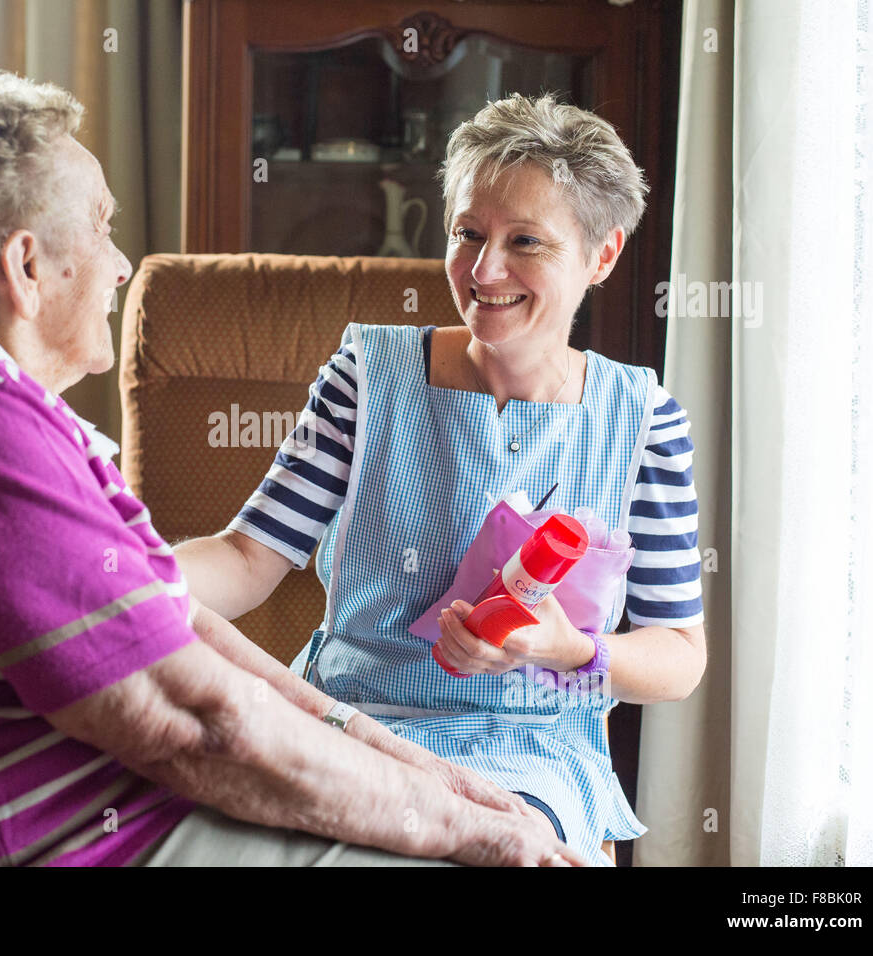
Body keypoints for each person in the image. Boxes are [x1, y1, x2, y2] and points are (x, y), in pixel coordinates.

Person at [0, 72, 582, 867]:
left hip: (77, 812)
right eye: (100, 227)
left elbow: (187, 637)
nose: (122, 263)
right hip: (49, 840)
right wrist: (479, 836)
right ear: (26, 266)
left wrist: (448, 786)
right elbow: (201, 725)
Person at [174, 93, 707, 866]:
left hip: (531, 756)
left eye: (526, 240)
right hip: (347, 724)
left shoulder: (645, 421)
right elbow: (249, 558)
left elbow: (679, 655)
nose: (484, 270)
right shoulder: (368, 376)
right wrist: (118, 574)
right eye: (468, 233)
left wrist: (568, 650)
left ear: (602, 255)